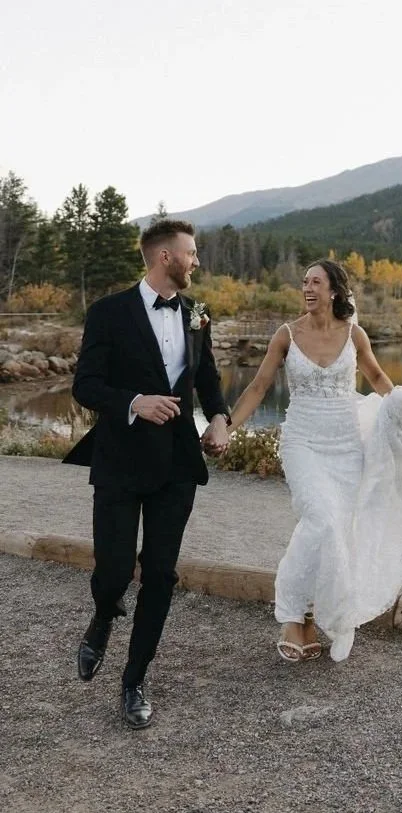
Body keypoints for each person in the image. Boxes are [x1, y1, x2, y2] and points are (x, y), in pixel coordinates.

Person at [227, 259, 402, 663]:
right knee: (322, 518)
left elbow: (378, 380)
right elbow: (258, 386)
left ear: (335, 290)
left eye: (316, 281)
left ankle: (317, 616)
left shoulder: (355, 335)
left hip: (346, 447)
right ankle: (291, 614)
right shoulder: (286, 335)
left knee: (339, 532)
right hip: (302, 442)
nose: (308, 288)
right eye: (304, 282)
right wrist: (225, 428)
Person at [63, 220, 230, 729]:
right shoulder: (109, 313)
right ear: (164, 258)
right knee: (113, 570)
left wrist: (219, 418)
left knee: (160, 573)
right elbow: (85, 386)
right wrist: (135, 402)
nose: (196, 261)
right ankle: (102, 616)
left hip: (177, 463)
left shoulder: (197, 315)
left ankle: (134, 679)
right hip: (120, 460)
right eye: (192, 253)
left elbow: (207, 378)